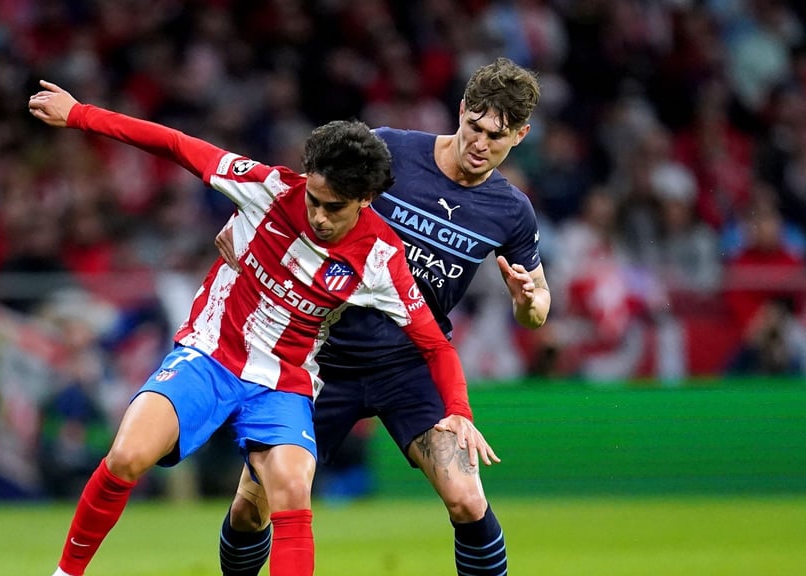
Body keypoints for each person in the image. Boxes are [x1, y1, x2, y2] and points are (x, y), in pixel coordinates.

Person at [27, 80, 498, 576]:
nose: (316, 215)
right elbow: (174, 143)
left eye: (332, 207)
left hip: (283, 381)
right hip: (209, 356)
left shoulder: (382, 258)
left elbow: (433, 343)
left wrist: (460, 411)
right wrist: (80, 113)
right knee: (126, 456)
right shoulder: (266, 187)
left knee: (293, 490)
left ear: (365, 200)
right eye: (313, 198)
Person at [215, 57, 550, 576]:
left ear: (521, 135)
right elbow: (304, 191)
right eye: (474, 126)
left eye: (497, 136)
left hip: (410, 365)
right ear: (460, 111)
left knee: (467, 499)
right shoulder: (390, 148)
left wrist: (528, 301)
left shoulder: (511, 211)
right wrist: (244, 227)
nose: (480, 143)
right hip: (319, 360)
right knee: (251, 509)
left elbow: (538, 309)